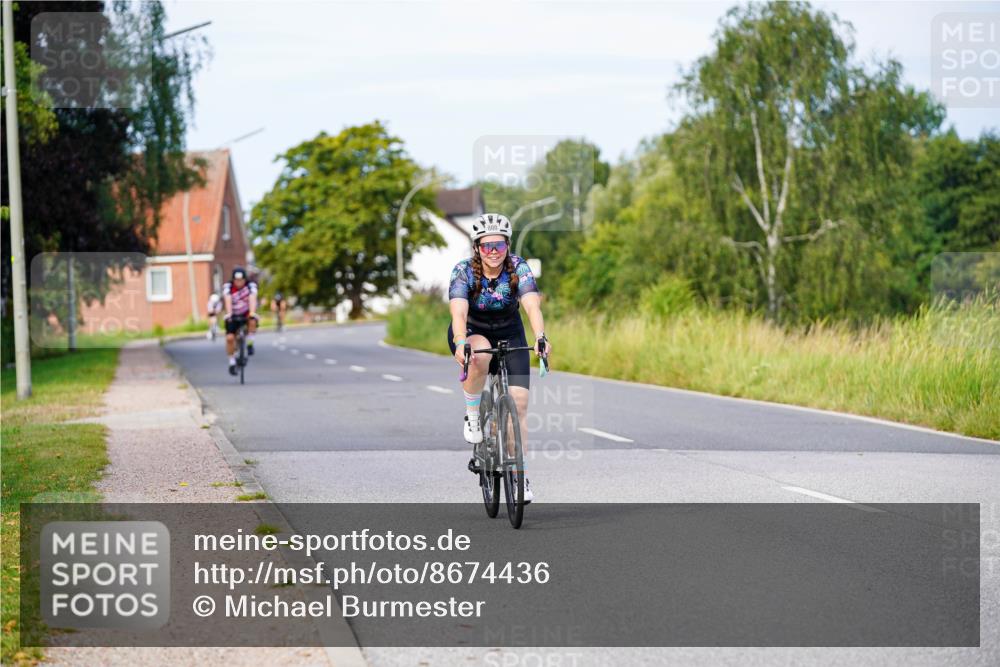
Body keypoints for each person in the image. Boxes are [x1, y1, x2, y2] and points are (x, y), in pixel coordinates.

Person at [448, 213, 551, 503]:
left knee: (518, 405)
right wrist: (460, 342)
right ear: (477, 248)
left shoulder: (519, 268)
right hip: (473, 331)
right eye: (486, 246)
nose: (493, 252)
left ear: (507, 246)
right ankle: (472, 417)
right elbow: (458, 312)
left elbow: (531, 305)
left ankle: (519, 475)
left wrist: (541, 336)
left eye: (499, 245)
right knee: (479, 356)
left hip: (510, 331)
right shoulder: (463, 271)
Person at [223, 266, 258, 375]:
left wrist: (252, 312)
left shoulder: (250, 286)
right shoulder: (228, 287)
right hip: (233, 314)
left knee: (253, 320)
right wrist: (229, 314)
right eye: (236, 280)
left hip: (246, 312)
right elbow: (227, 299)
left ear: (245, 279)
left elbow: (252, 298)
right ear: (233, 280)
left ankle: (250, 343)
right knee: (230, 338)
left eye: (241, 280)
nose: (239, 283)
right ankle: (232, 362)